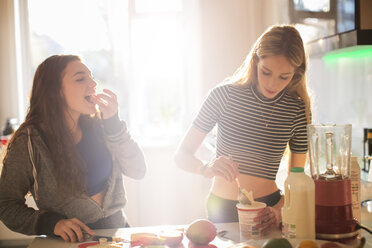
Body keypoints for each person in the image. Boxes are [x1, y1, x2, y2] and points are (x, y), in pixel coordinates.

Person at [174, 25, 311, 233]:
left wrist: (278, 211)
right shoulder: (223, 96)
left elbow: (297, 180)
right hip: (221, 207)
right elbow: (181, 156)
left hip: (269, 208)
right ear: (255, 61)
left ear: (296, 73)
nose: (273, 83)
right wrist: (206, 168)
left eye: (284, 76)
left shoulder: (297, 109)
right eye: (266, 72)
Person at [0, 55, 146, 242]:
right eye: (80, 78)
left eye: (91, 76)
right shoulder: (29, 141)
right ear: (55, 91)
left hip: (117, 236)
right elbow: (6, 204)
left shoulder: (102, 126)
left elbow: (138, 170)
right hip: (68, 243)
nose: (93, 83)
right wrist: (50, 223)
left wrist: (115, 126)